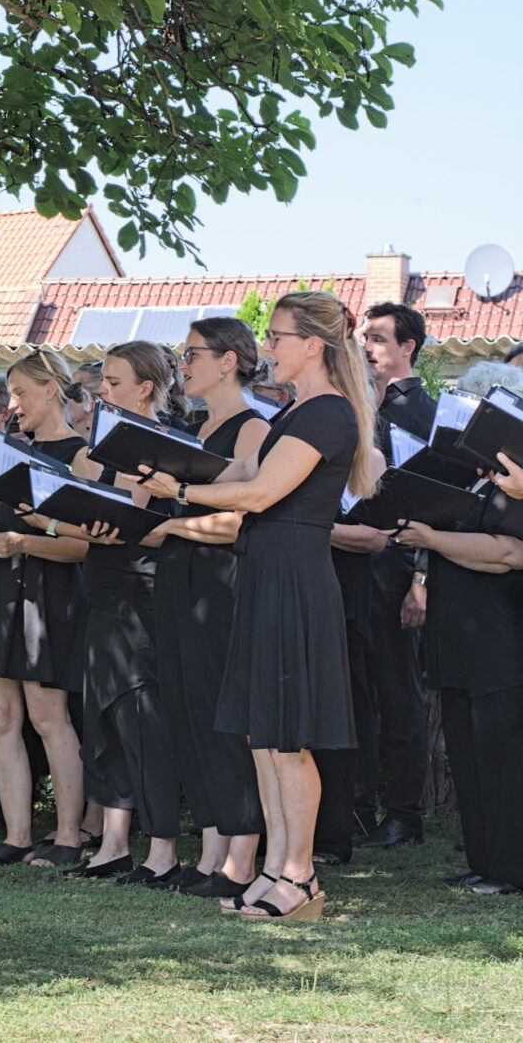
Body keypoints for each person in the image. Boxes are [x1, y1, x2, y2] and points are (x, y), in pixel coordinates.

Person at [140, 290, 380, 920]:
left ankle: (299, 878)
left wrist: (180, 489)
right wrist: (159, 462)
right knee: (264, 737)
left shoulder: (329, 414)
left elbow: (263, 490)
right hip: (267, 573)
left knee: (289, 737)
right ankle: (274, 868)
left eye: (275, 337)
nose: (267, 348)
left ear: (313, 346)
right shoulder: (293, 414)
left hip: (295, 580)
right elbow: (235, 468)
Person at [22, 341, 181, 886]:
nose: (102, 392)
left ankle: (162, 848)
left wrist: (68, 516)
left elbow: (139, 523)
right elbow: (93, 529)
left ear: (146, 388)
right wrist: (45, 515)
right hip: (103, 591)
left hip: (144, 596)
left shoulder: (162, 444)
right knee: (106, 720)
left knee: (145, 722)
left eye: (114, 382)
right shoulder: (98, 449)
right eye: (101, 383)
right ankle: (113, 843)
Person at [149, 320, 271, 896]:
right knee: (188, 713)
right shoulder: (195, 430)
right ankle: (212, 849)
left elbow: (239, 520)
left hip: (218, 586)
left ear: (228, 361)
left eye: (191, 353)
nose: (182, 363)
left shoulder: (253, 429)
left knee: (222, 718)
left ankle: (242, 855)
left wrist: (173, 520)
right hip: (178, 581)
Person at [392, 363, 523, 896]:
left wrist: (431, 538)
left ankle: (511, 869)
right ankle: (484, 863)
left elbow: (507, 554)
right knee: (468, 759)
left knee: (502, 762)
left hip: (500, 641)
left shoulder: (513, 482)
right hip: (459, 638)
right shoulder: (468, 475)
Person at [0, 350, 92, 869]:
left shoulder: (82, 455)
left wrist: (23, 542)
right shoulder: (4, 450)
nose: (12, 405)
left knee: (46, 715)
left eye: (19, 393)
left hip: (47, 590)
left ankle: (67, 837)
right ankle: (16, 837)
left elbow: (86, 544)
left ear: (51, 390)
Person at [352, 302, 442, 849]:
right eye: (364, 337)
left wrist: (421, 581)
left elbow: (442, 504)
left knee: (398, 691)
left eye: (378, 338)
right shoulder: (355, 405)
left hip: (401, 563)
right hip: (350, 559)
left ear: (408, 347)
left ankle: (405, 815)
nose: (367, 346)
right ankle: (358, 807)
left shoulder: (427, 412)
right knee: (357, 689)